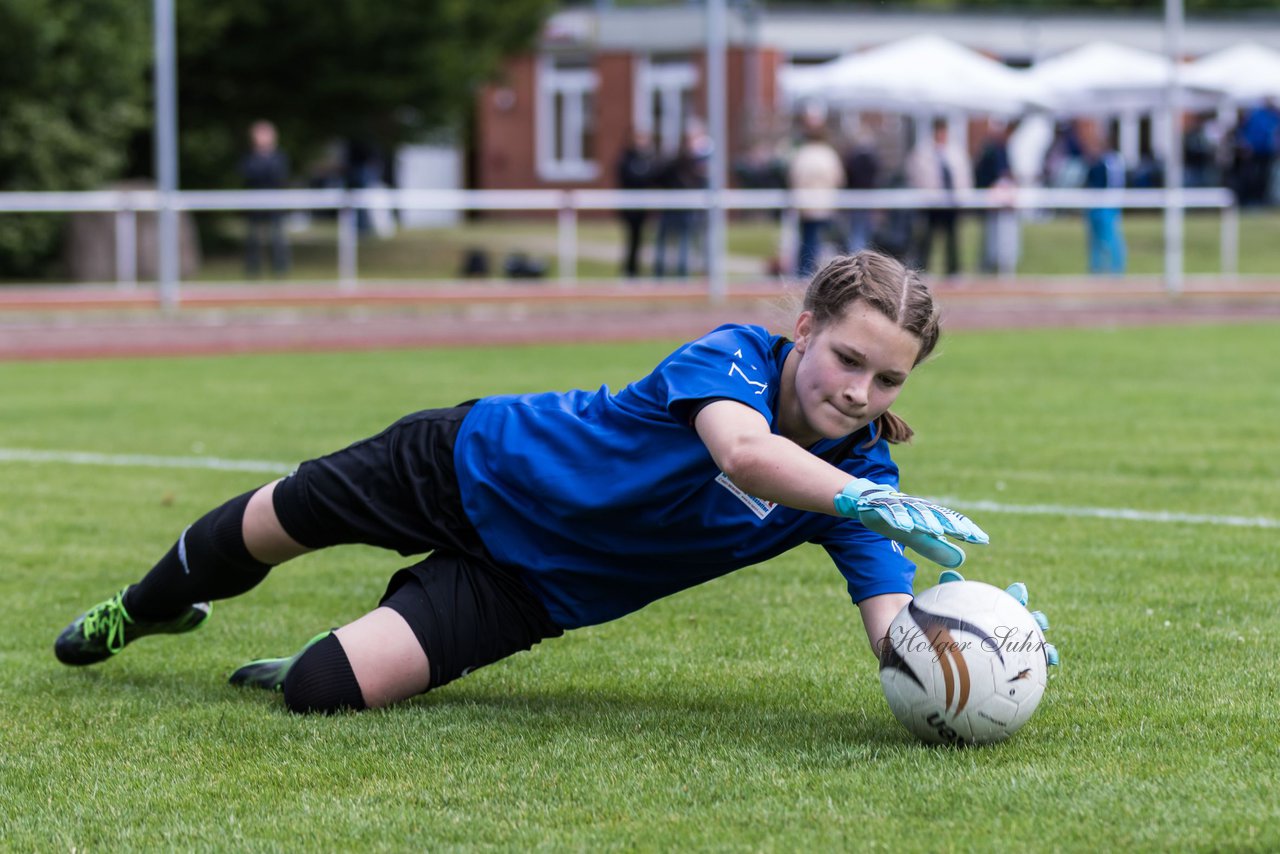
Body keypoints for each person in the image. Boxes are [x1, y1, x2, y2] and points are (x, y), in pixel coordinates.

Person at [53, 250, 1057, 715]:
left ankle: (315, 651)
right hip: (464, 464)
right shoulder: (731, 359)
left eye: (886, 377)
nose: (858, 389)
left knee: (323, 693)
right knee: (275, 525)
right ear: (802, 329)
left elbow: (890, 629)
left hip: (533, 586)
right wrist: (854, 497)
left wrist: (972, 639)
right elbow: (743, 454)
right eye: (846, 357)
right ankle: (139, 609)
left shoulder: (859, 477)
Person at [906, 119, 972, 277]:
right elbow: (914, 174)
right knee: (928, 237)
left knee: (952, 237)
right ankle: (924, 268)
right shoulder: (923, 151)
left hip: (951, 202)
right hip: (931, 203)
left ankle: (953, 269)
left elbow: (963, 175)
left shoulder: (955, 151)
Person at [788, 116, 846, 278]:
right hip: (825, 203)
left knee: (808, 239)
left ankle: (805, 272)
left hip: (805, 204)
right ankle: (818, 273)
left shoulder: (801, 154)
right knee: (822, 239)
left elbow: (794, 178)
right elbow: (838, 178)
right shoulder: (829, 154)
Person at [240, 120, 290, 277]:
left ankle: (279, 269)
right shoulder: (249, 157)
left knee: (277, 236)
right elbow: (247, 175)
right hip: (254, 203)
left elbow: (279, 177)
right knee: (253, 237)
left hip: (275, 203)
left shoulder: (279, 157)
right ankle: (253, 270)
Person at [973, 121, 1020, 276]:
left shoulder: (1003, 148)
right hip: (991, 200)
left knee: (1004, 236)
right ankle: (990, 264)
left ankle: (1001, 265)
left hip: (1004, 202)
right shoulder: (992, 149)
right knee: (992, 236)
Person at [1082, 126, 1127, 276]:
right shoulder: (1099, 160)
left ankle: (1116, 270)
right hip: (1096, 205)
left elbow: (1112, 184)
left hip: (1107, 205)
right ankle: (1096, 270)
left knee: (1110, 238)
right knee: (1094, 240)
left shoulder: (1111, 161)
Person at [616, 129, 658, 278]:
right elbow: (627, 177)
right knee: (631, 239)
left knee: (641, 240)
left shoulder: (649, 159)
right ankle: (629, 270)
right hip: (630, 207)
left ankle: (637, 270)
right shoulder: (627, 158)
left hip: (642, 207)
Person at [841, 131, 880, 255]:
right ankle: (862, 256)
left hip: (857, 198)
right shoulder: (872, 159)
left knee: (857, 230)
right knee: (863, 230)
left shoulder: (853, 158)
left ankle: (858, 255)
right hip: (865, 198)